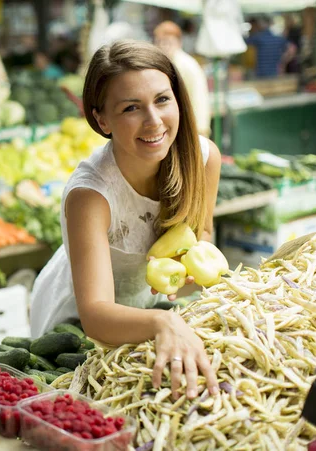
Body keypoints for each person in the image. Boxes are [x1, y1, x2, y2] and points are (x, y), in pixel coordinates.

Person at [30, 40, 221, 401]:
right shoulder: (91, 194)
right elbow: (96, 314)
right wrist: (165, 321)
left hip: (148, 313)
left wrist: (191, 270)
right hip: (77, 323)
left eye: (162, 100)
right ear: (101, 119)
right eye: (131, 107)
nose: (154, 121)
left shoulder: (203, 158)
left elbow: (202, 233)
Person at [154, 21, 211, 138]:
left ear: (179, 43)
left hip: (190, 127)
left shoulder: (186, 65)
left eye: (168, 42)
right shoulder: (165, 63)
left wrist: (199, 130)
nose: (164, 46)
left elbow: (199, 98)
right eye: (160, 42)